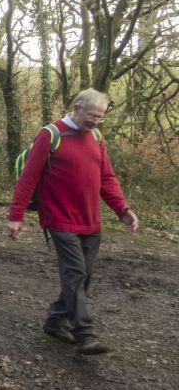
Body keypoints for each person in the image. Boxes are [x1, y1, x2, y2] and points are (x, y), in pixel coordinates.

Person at [8, 88, 139, 355]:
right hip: (59, 219)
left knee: (84, 276)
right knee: (75, 273)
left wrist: (122, 209)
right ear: (76, 108)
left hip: (90, 220)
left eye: (100, 118)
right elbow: (28, 178)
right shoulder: (50, 134)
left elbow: (107, 178)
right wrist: (16, 216)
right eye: (92, 116)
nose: (95, 122)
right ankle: (85, 334)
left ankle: (56, 319)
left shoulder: (97, 137)